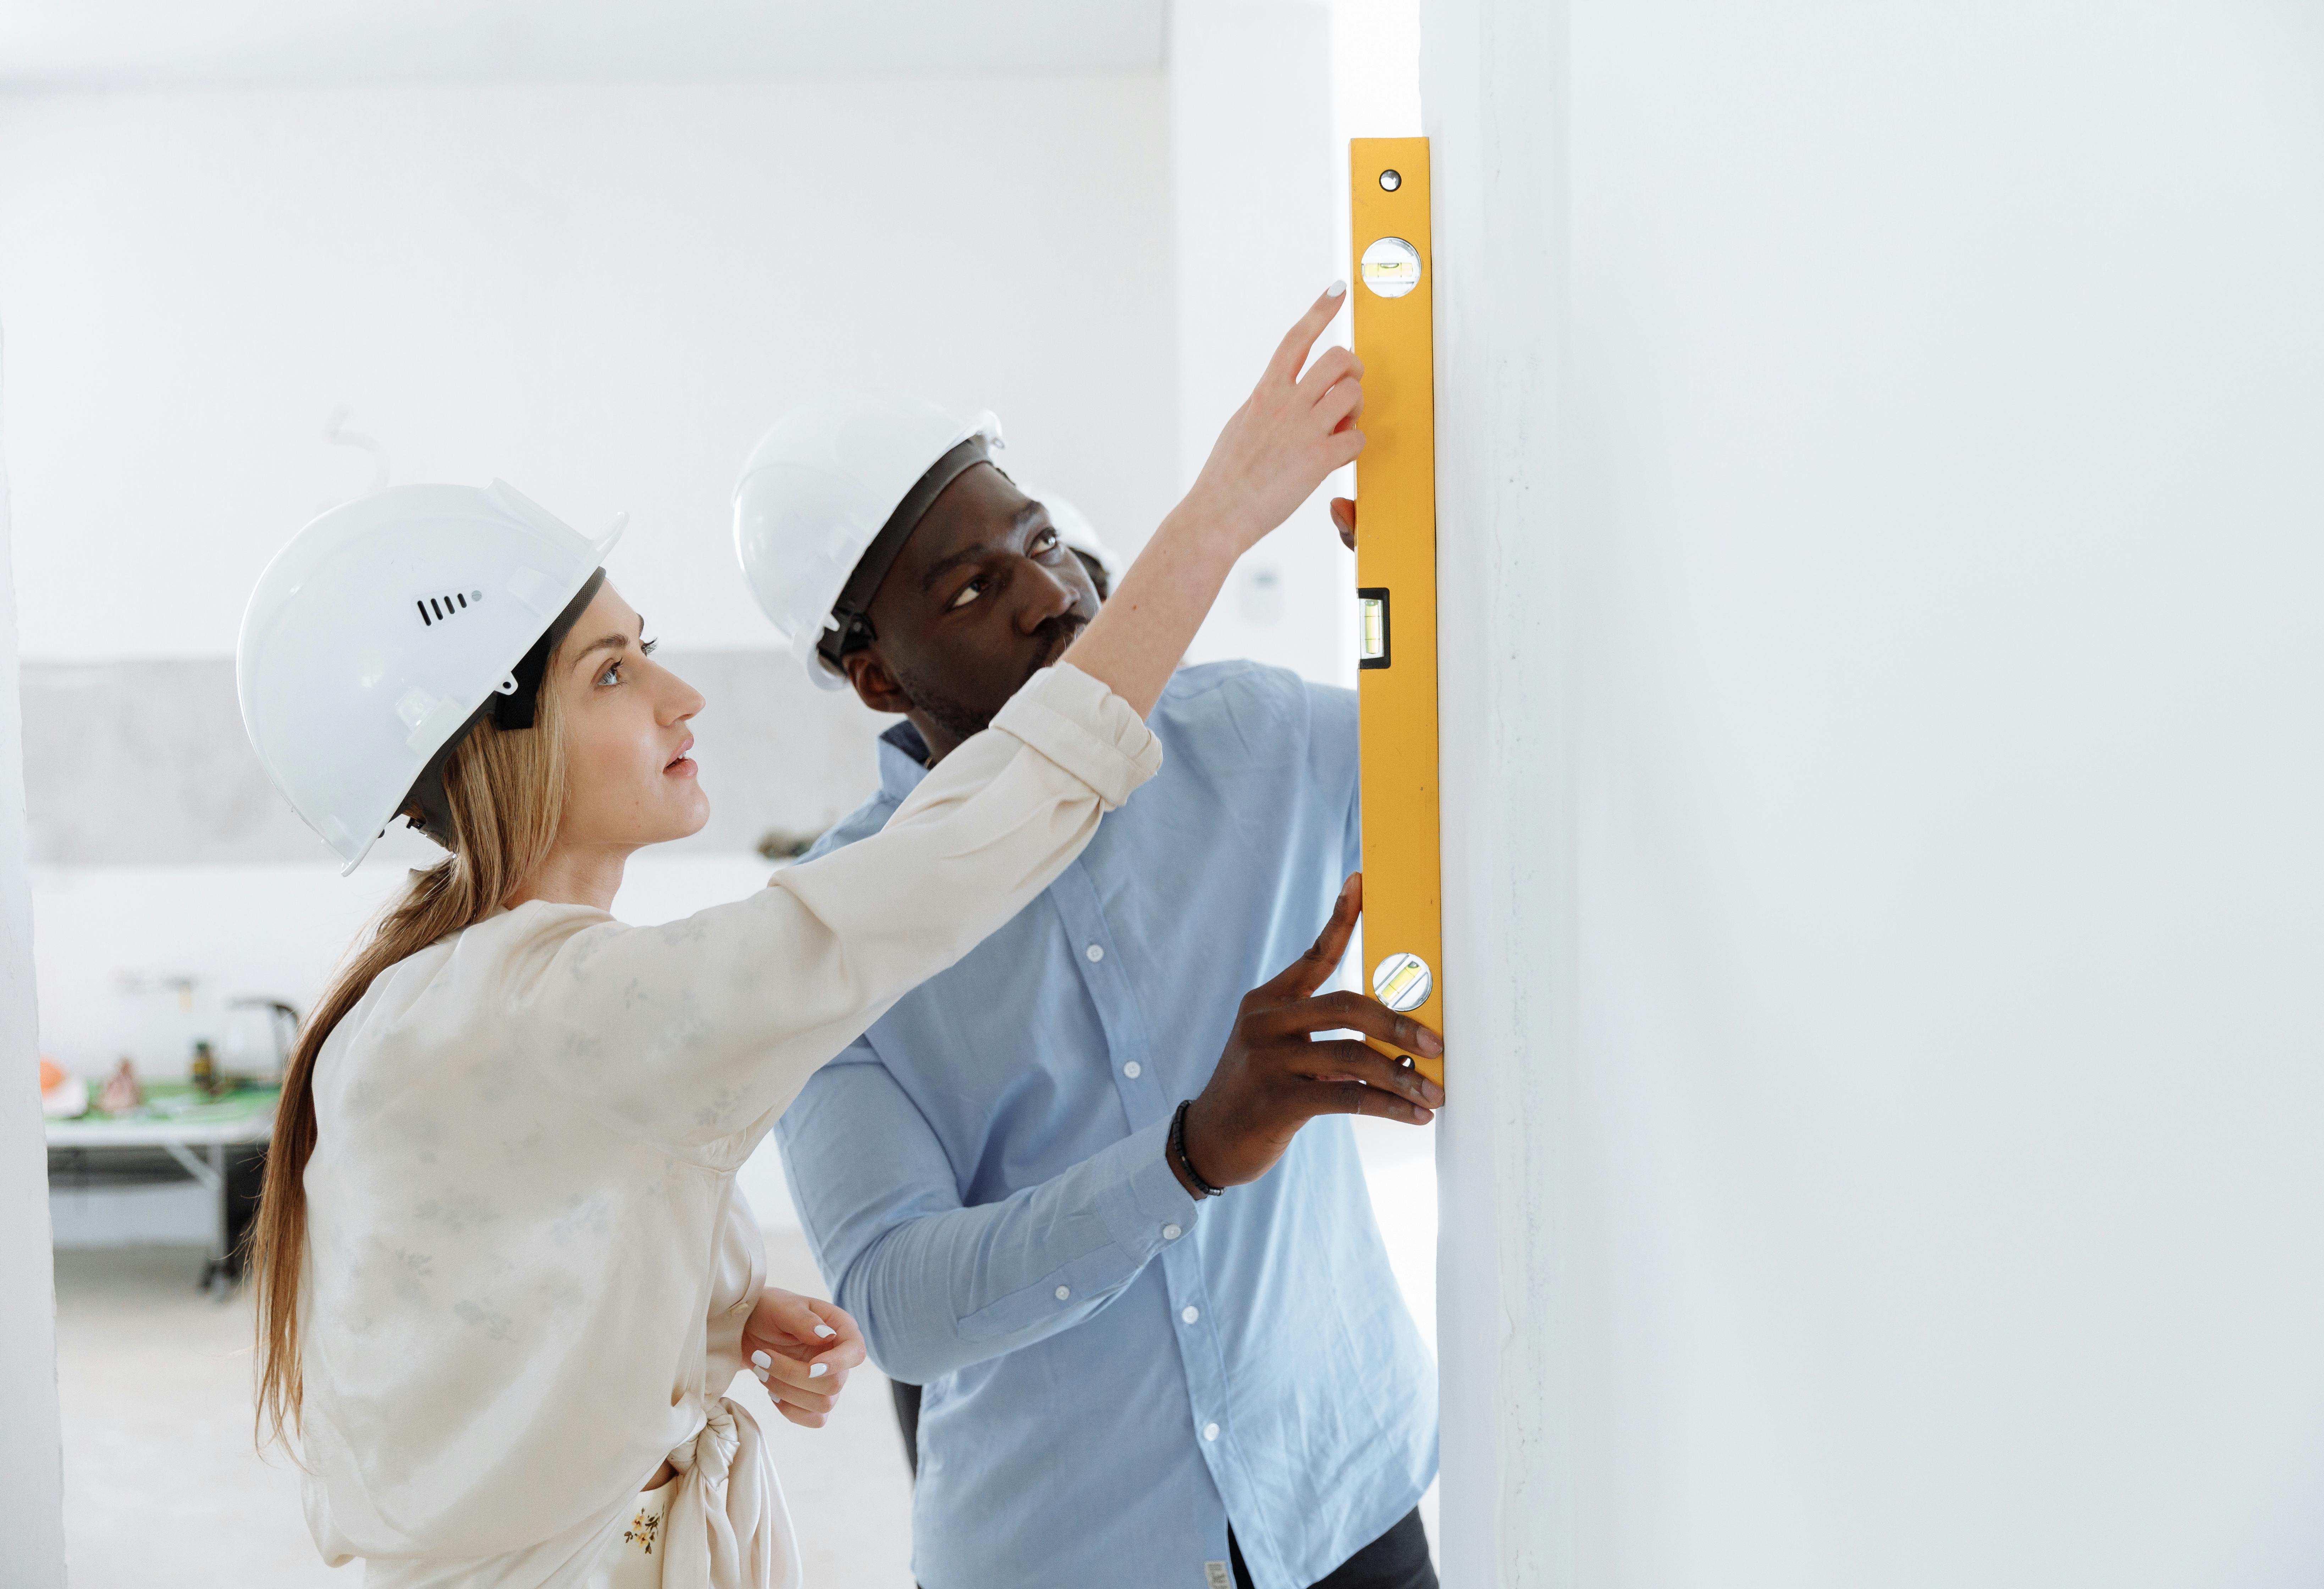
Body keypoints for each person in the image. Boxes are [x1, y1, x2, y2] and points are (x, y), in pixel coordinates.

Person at [233, 286, 1380, 1587]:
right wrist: (1227, 507)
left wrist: (703, 1326)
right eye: (611, 673)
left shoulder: (471, 1002)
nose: (683, 692)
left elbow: (462, 1314)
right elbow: (954, 859)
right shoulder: (543, 1006)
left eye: (646, 648)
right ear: (490, 747)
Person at [743, 388, 1443, 1588]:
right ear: (874, 674)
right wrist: (1189, 1156)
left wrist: (1428, 597)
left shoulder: (1254, 734)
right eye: (972, 590)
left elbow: (1477, 779)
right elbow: (900, 1302)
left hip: (1346, 1499)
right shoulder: (830, 932)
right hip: (1066, 1554)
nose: (1050, 599)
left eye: (1043, 544)